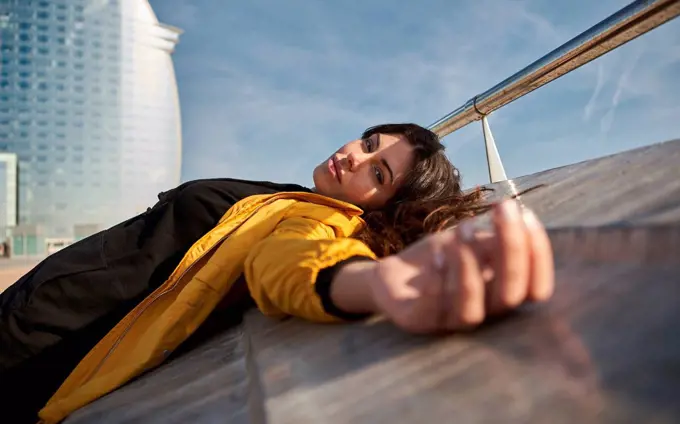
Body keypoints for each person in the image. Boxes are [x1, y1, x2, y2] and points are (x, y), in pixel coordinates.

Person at [0, 123, 554, 423]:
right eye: (367, 143)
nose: (355, 158)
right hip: (32, 316)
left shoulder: (322, 217)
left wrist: (375, 285)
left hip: (40, 350)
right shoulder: (292, 194)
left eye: (377, 171)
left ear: (381, 207)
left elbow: (294, 261)